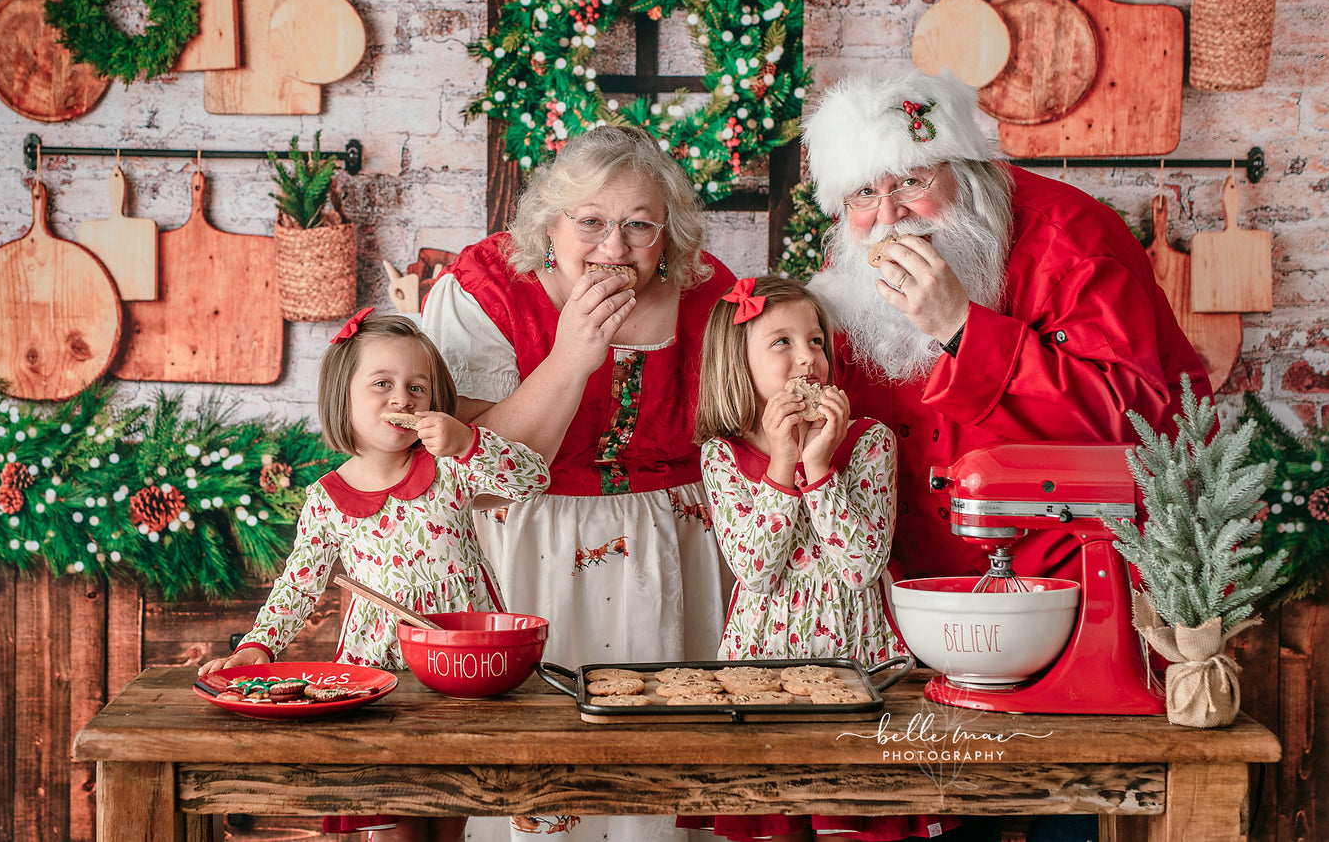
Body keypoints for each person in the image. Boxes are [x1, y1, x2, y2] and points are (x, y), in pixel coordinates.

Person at [803, 70, 1212, 842]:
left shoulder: (1074, 238)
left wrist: (962, 326)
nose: (888, 217)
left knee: (1066, 812)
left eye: (911, 181)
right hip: (922, 620)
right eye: (862, 195)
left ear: (964, 170)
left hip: (1072, 598)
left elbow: (1136, 419)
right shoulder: (848, 276)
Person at [418, 124, 736, 842]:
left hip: (677, 551)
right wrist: (569, 357)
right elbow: (479, 476)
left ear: (667, 233)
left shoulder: (709, 293)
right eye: (590, 221)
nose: (613, 248)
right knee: (541, 767)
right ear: (550, 224)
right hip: (531, 546)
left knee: (663, 775)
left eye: (639, 225)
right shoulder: (484, 289)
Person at [198, 309, 549, 842]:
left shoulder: (450, 468)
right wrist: (258, 645)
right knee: (393, 818)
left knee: (450, 808)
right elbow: (299, 584)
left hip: (460, 665)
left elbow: (533, 480)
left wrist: (468, 442)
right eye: (382, 383)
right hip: (378, 670)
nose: (402, 398)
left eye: (416, 387)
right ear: (342, 397)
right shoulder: (327, 498)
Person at [679, 275, 955, 842]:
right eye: (781, 342)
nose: (808, 358)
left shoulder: (869, 441)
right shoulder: (723, 455)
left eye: (816, 341)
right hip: (761, 673)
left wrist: (820, 465)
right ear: (738, 364)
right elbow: (755, 570)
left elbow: (860, 567)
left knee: (854, 821)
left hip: (862, 666)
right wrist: (783, 465)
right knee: (777, 821)